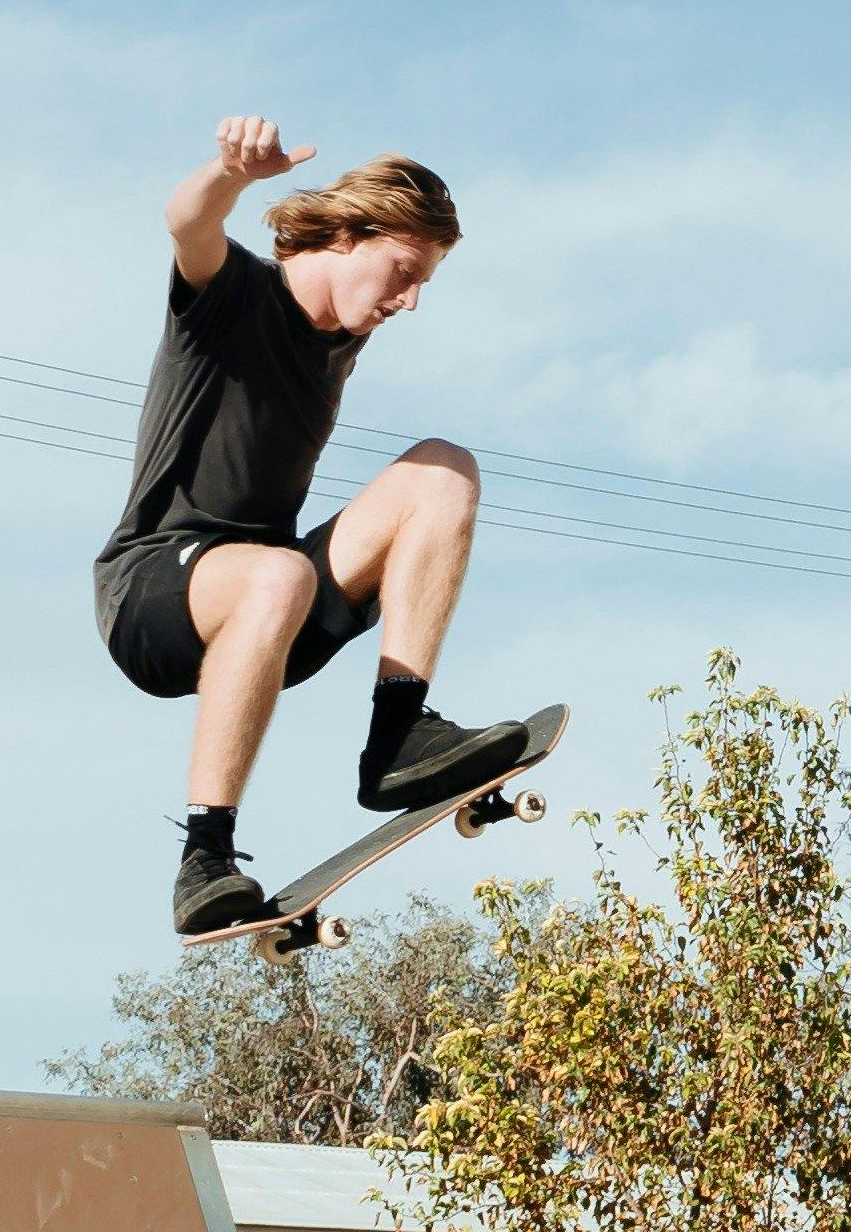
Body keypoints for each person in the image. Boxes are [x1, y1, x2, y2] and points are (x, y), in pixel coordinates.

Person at [102, 118, 534, 934]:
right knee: (279, 571)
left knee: (444, 469)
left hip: (271, 614)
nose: (407, 302)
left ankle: (398, 736)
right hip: (153, 594)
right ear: (344, 235)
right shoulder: (232, 294)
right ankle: (205, 855)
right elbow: (187, 223)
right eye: (403, 273)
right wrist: (229, 173)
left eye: (422, 287)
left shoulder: (340, 336)